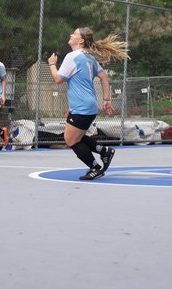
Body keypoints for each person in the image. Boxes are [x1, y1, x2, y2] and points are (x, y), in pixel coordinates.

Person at [47, 27, 129, 180]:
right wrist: (106, 100)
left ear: (81, 41)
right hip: (87, 105)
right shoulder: (89, 58)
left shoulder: (72, 57)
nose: (71, 34)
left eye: (74, 34)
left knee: (71, 140)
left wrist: (52, 64)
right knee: (76, 137)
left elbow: (58, 79)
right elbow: (104, 78)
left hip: (82, 106)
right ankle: (104, 151)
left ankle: (95, 167)